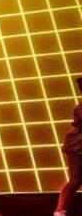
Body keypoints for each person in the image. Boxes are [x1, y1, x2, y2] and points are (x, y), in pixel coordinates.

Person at [53, 76, 82, 216]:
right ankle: (60, 210)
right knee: (76, 179)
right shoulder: (81, 107)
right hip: (77, 145)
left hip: (76, 144)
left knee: (76, 179)